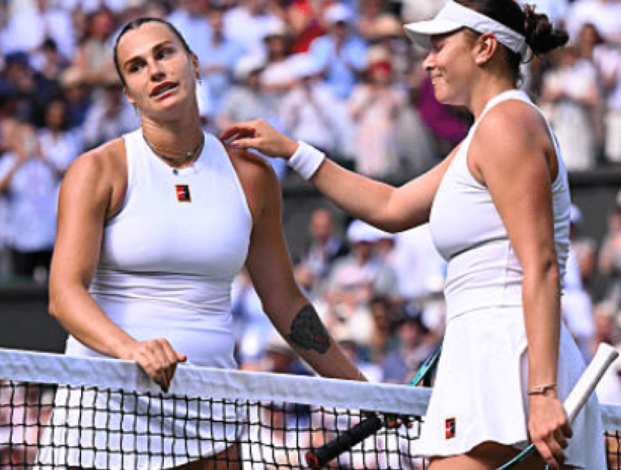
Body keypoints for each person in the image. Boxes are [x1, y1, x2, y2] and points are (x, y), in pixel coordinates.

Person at [221, 1, 604, 469]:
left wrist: (541, 391)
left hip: (514, 361)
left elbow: (540, 265)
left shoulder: (507, 125)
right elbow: (391, 206)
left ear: (484, 48)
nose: (428, 60)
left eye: (440, 45)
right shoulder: (488, 132)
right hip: (492, 355)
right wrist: (293, 150)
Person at [42, 17, 365, 470]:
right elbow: (64, 295)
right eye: (136, 67)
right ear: (128, 94)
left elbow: (286, 302)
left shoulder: (253, 177)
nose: (154, 70)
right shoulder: (96, 171)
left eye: (164, 54)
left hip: (210, 416)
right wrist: (131, 349)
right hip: (103, 410)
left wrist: (362, 389)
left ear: (194, 64)